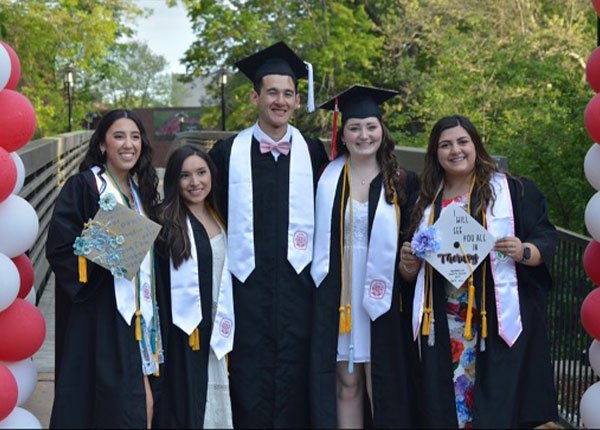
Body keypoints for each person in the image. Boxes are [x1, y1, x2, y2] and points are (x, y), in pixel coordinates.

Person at [400, 115, 558, 428]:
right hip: (444, 325)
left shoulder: (511, 192)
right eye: (445, 145)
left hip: (495, 322)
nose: (455, 150)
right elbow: (409, 276)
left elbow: (544, 238)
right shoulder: (424, 201)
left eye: (462, 142)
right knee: (447, 408)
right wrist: (407, 265)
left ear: (476, 146)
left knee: (495, 406)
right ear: (435, 153)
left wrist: (524, 251)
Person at [209, 41, 328, 427]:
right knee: (247, 374)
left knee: (297, 373)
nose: (280, 101)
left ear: (297, 101)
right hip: (246, 289)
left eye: (288, 94)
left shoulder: (313, 153)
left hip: (300, 291)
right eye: (272, 92)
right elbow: (200, 209)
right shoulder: (226, 154)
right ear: (255, 96)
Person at [310, 85, 420, 428]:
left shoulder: (402, 182)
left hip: (385, 294)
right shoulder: (325, 179)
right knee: (346, 380)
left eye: (371, 126)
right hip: (339, 294)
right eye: (354, 127)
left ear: (382, 130)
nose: (363, 135)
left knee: (382, 381)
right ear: (342, 135)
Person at [46, 109, 162, 428]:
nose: (129, 144)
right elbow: (59, 247)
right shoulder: (85, 186)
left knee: (141, 405)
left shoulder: (141, 193)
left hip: (138, 318)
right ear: (102, 145)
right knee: (111, 408)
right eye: (119, 136)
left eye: (135, 137)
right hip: (99, 318)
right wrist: (118, 245)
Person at [152, 144, 234, 428]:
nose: (195, 182)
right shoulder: (162, 220)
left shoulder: (221, 214)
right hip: (184, 331)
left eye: (201, 172)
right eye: (185, 176)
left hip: (222, 324)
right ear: (174, 180)